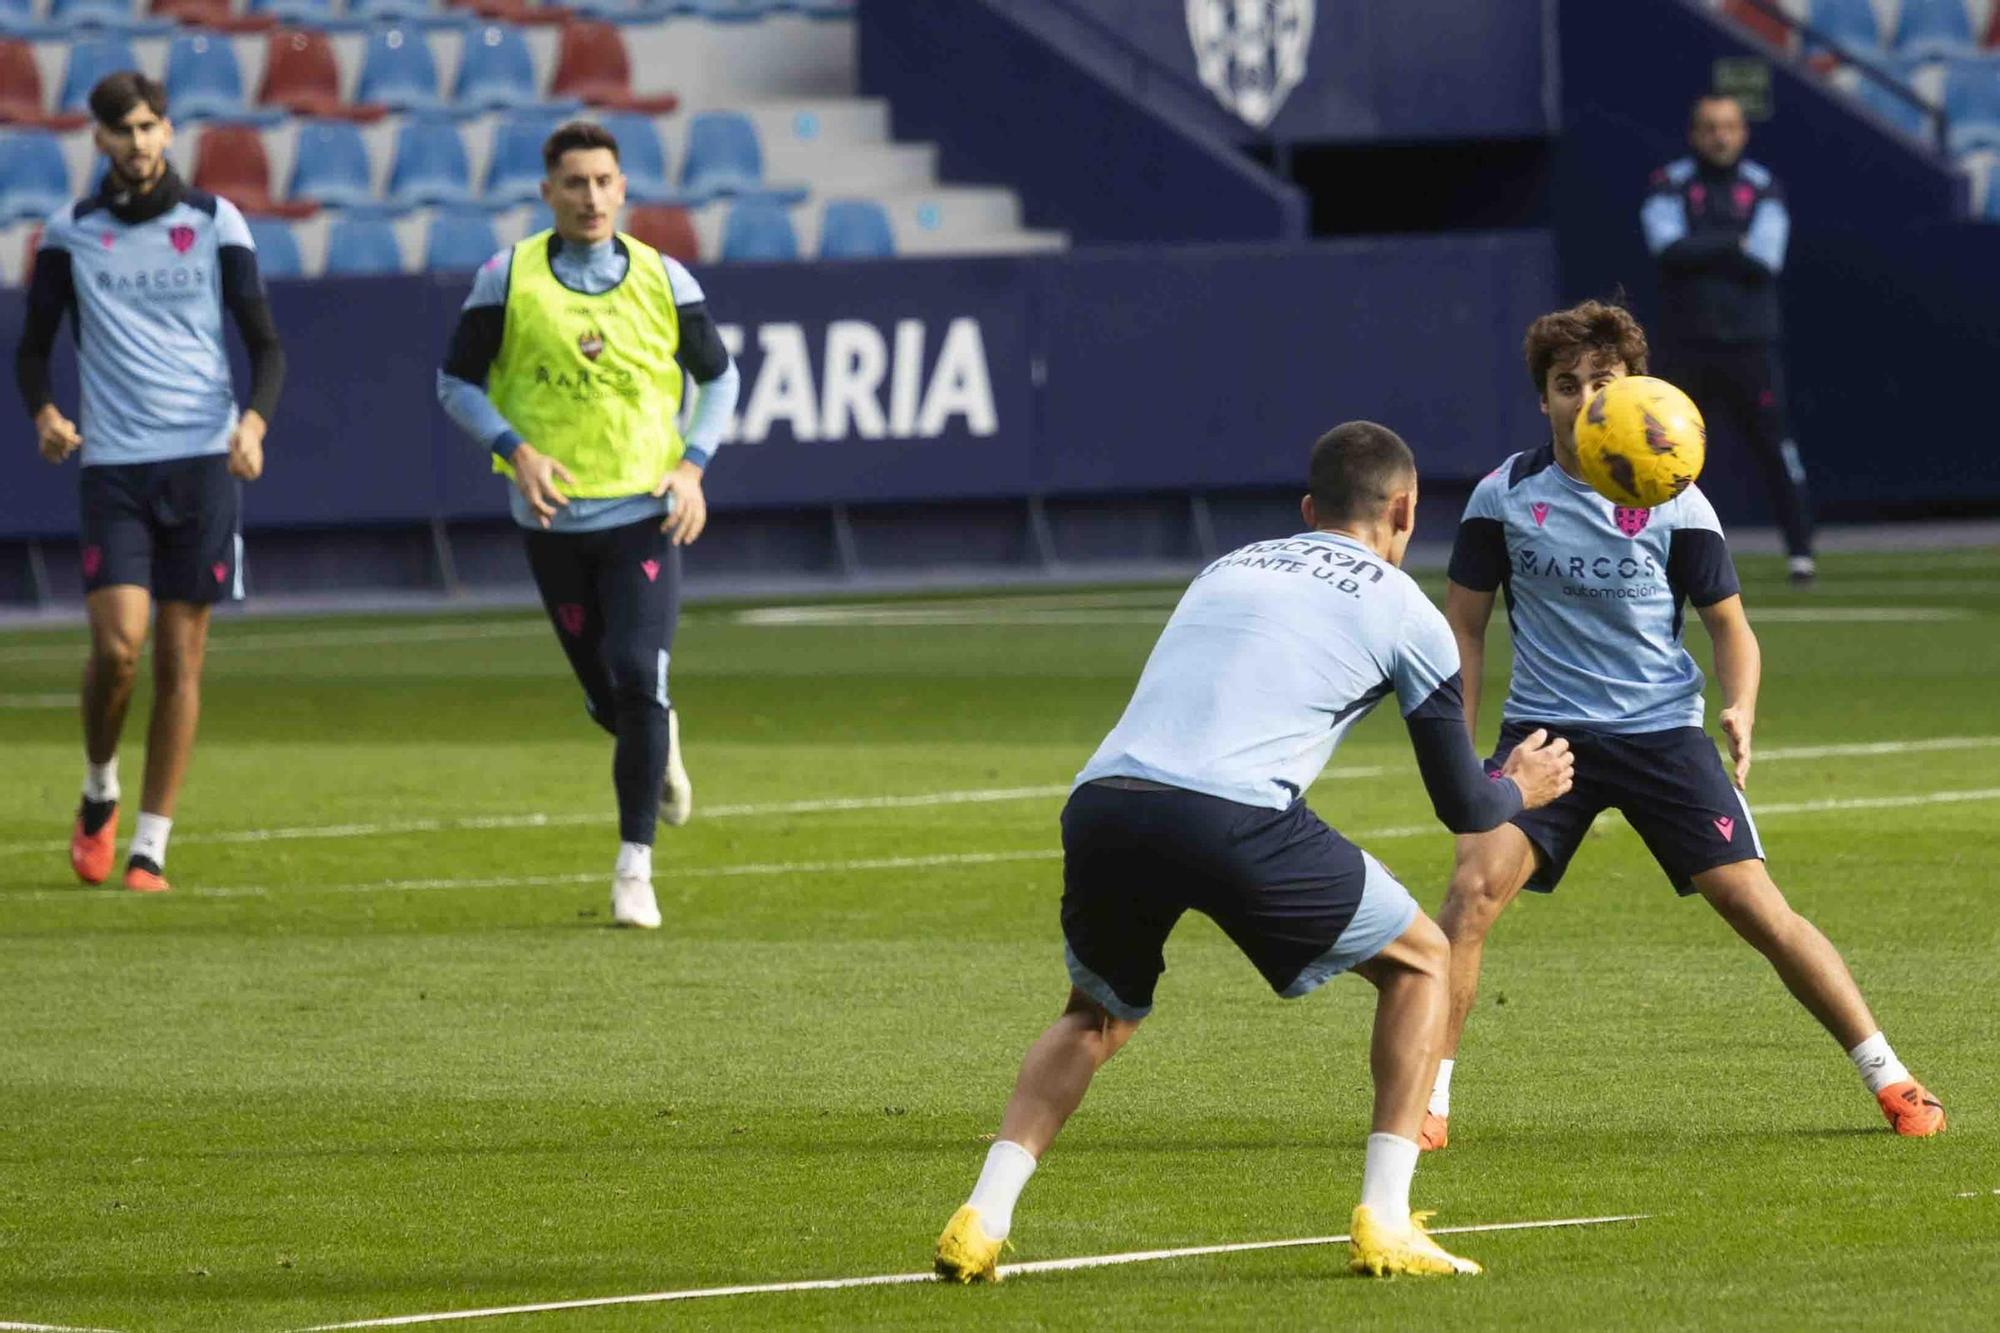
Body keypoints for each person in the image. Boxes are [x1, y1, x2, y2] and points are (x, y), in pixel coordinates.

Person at [932, 423, 1576, 1284]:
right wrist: (1521, 786)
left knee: (1094, 1015)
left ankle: (982, 1215)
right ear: (1405, 509)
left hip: (1105, 802)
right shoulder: (1404, 608)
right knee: (1423, 960)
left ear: (1307, 511)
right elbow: (1462, 800)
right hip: (1231, 813)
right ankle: (1386, 1219)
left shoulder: (1227, 566)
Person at [1420, 299, 1943, 1154]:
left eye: (1603, 382)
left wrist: (1738, 704)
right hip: (1547, 739)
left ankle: (1889, 1073)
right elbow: (1466, 626)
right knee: (1470, 897)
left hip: (1663, 735)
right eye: (1564, 385)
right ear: (1543, 398)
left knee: (1759, 911)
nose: (1585, 398)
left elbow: (1730, 627)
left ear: (1636, 389)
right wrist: (1464, 747)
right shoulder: (1504, 497)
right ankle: (1429, 1100)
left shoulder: (1676, 499)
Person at [436, 120, 740, 931]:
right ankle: (659, 735)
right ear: (548, 194)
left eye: (605, 181)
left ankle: (633, 869)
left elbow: (719, 378)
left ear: (623, 189)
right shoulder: (508, 278)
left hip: (646, 511)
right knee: (615, 700)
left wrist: (693, 465)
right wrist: (515, 449)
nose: (592, 197)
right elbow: (455, 383)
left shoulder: (663, 279)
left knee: (639, 673)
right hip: (552, 520)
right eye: (575, 183)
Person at [13, 71, 285, 894]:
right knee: (118, 647)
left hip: (202, 462)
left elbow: (265, 345)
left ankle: (149, 847)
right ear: (97, 139)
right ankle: (100, 787)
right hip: (116, 468)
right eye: (120, 130)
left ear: (168, 132)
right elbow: (31, 349)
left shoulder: (213, 222)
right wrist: (46, 414)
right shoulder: (70, 233)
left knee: (179, 658)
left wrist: (254, 424)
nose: (136, 143)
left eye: (148, 127)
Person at [1642, 92, 1816, 585]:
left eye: (1729, 126)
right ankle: (1656, 554)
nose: (1720, 136)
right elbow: (1667, 248)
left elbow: (1766, 258)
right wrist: (1732, 242)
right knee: (1666, 452)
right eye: (1710, 126)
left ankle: (1801, 552)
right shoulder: (1669, 183)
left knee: (1774, 447)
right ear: (1694, 133)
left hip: (1750, 344)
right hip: (1686, 343)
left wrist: (1705, 248)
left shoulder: (1764, 186)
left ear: (1743, 132)